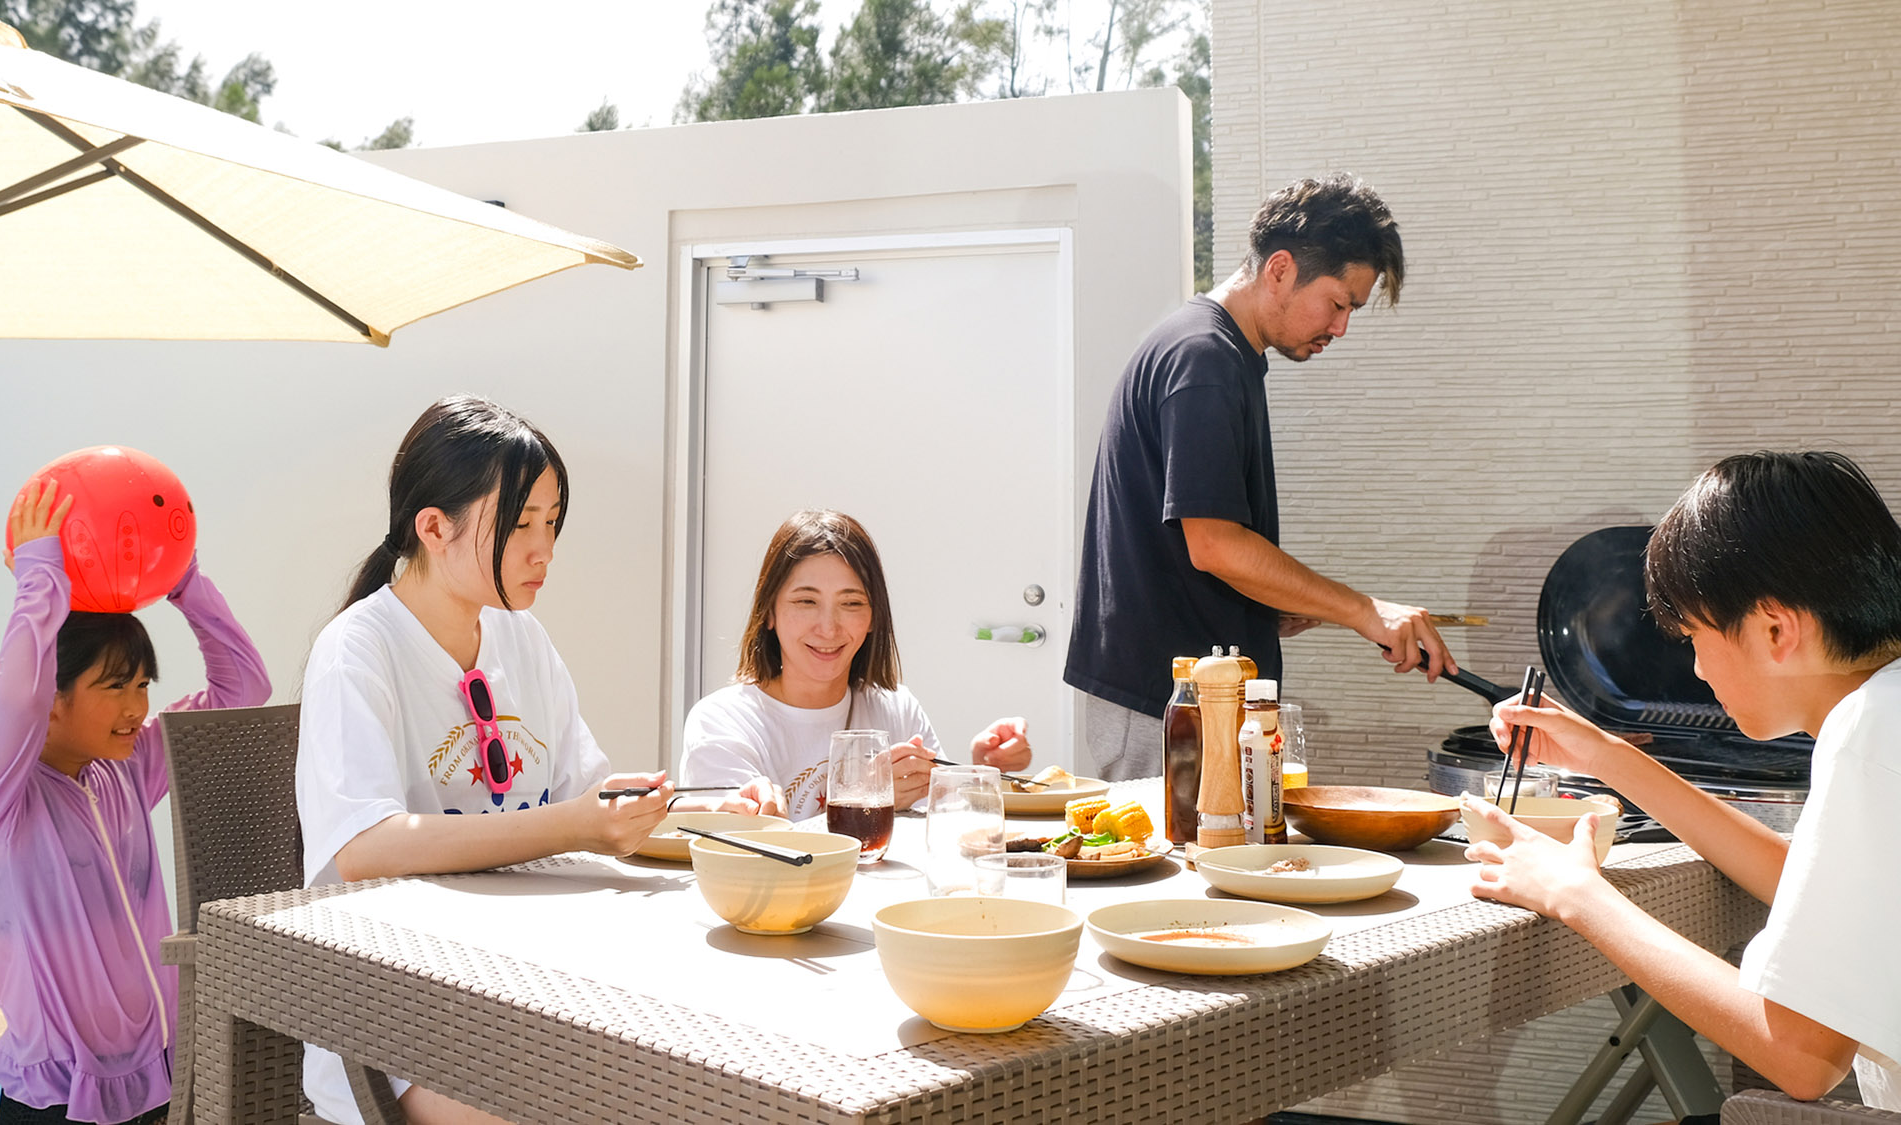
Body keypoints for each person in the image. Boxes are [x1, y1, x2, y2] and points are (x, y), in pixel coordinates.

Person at [296, 395, 775, 1125]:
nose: (543, 549)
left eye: (551, 523)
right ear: (433, 526)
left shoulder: (523, 639)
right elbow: (364, 846)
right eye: (520, 524)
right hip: (396, 1023)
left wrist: (705, 813)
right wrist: (574, 826)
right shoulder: (357, 651)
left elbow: (586, 797)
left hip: (527, 990)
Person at [1466, 451, 1901, 1107]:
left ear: (1775, 628)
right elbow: (1818, 888)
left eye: (1695, 636)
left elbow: (1804, 1057)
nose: (1697, 670)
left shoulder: (1869, 732)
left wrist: (1578, 894)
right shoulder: (1885, 708)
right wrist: (1607, 754)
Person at [1066, 173, 1457, 780]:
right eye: (1338, 303)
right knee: (1187, 867)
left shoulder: (1220, 353)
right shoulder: (1205, 359)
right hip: (1170, 700)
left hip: (1194, 693)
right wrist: (1362, 610)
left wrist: (1267, 607)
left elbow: (1193, 543)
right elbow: (1216, 544)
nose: (1341, 327)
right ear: (1279, 269)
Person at [0, 477, 272, 1125]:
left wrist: (181, 578)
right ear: (54, 696)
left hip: (160, 1081)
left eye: (144, 683)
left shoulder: (126, 767)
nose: (137, 707)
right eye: (116, 685)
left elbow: (244, 685)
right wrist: (39, 579)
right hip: (59, 1104)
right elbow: (16, 702)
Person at [681, 509, 1033, 819]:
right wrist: (867, 800)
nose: (829, 627)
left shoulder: (896, 708)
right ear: (769, 612)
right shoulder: (722, 721)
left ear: (874, 617)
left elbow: (950, 828)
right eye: (806, 601)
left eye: (851, 603)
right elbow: (748, 856)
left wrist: (981, 774)